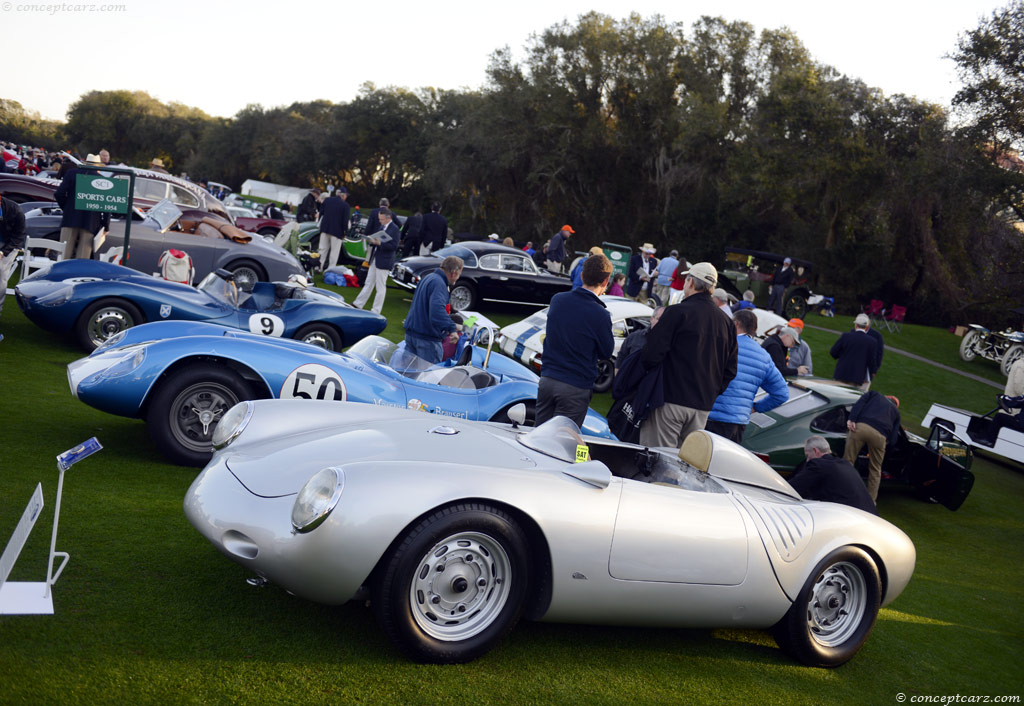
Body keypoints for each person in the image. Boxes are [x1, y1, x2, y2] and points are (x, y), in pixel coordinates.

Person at [639, 262, 737, 447]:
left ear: (690, 282)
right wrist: (711, 392)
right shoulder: (727, 323)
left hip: (669, 400)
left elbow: (651, 354)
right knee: (684, 466)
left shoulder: (677, 312)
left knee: (657, 460)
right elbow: (730, 370)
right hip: (701, 406)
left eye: (685, 280)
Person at [535, 254, 615, 428]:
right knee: (560, 443)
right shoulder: (600, 314)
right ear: (605, 281)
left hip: (548, 379)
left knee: (537, 436)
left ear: (581, 275)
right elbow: (606, 352)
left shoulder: (558, 300)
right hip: (575, 386)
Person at [705, 309, 788, 442]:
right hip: (738, 423)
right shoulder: (764, 356)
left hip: (710, 415)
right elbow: (782, 393)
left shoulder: (721, 344)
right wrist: (755, 407)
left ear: (736, 324)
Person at [788, 436, 878, 514]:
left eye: (808, 455)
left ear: (815, 451)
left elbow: (792, 488)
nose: (807, 460)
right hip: (870, 515)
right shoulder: (845, 464)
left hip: (852, 518)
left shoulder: (818, 465)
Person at [403, 255, 463, 363]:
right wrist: (452, 329)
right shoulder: (439, 284)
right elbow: (437, 313)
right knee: (427, 376)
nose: (458, 277)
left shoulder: (428, 277)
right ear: (453, 272)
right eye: (459, 274)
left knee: (405, 375)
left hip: (412, 334)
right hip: (426, 339)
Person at [843, 391, 901, 502]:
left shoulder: (874, 394)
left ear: (886, 397)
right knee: (875, 470)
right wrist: (885, 448)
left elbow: (859, 403)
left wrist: (852, 419)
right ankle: (871, 502)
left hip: (859, 428)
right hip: (880, 437)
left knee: (848, 462)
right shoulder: (896, 413)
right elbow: (893, 440)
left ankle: (843, 491)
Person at [53, 153, 105, 260]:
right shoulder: (101, 180)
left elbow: (59, 194)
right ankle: (77, 276)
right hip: (90, 221)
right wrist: (106, 225)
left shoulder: (71, 174)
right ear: (98, 166)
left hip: (70, 217)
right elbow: (105, 205)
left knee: (63, 254)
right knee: (83, 257)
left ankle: (61, 275)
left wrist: (66, 208)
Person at [351, 207, 399, 315]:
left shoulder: (394, 229)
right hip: (375, 258)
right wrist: (371, 241)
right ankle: (358, 304)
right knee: (368, 282)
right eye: (379, 219)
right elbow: (377, 240)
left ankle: (376, 310)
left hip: (385, 261)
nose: (380, 221)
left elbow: (394, 246)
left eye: (382, 219)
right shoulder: (381, 226)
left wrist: (380, 244)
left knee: (380, 287)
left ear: (388, 218)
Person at [831, 313, 878, 388]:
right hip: (857, 376)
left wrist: (843, 356)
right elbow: (871, 360)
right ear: (866, 327)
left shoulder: (846, 336)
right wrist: (873, 371)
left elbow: (833, 352)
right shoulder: (872, 342)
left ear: (856, 325)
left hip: (841, 373)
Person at [317, 186, 351, 272]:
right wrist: (345, 232)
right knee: (334, 252)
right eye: (346, 195)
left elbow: (321, 213)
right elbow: (345, 221)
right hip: (337, 231)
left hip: (325, 228)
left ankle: (318, 266)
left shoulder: (327, 200)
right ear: (343, 195)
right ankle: (330, 269)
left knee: (322, 249)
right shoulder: (345, 205)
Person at [864, 318, 885, 389]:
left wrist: (875, 369)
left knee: (863, 389)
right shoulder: (853, 332)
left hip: (868, 368)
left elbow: (879, 353)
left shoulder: (877, 336)